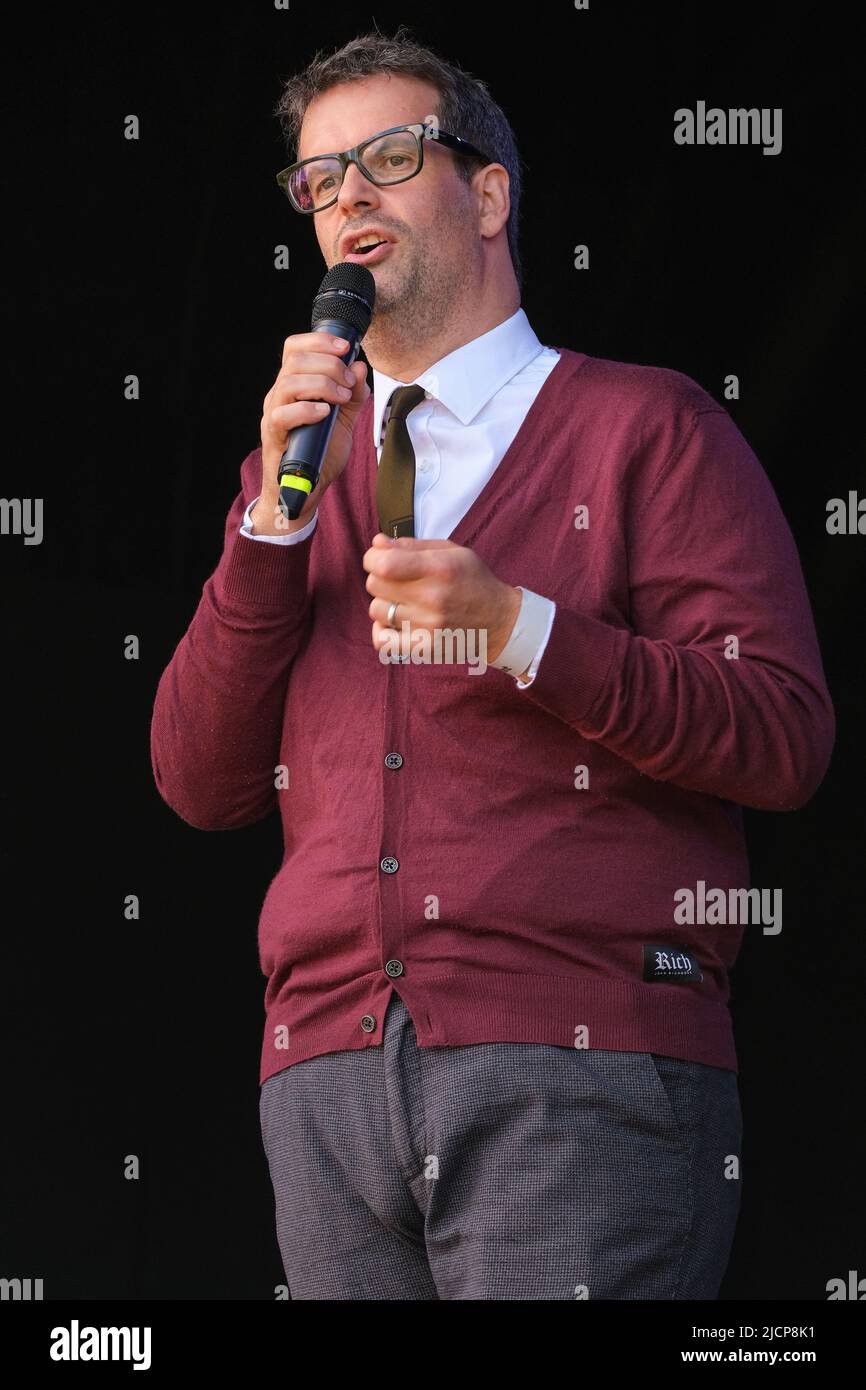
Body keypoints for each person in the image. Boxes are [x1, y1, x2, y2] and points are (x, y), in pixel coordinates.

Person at [150, 28, 835, 1300]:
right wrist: (270, 530)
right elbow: (198, 780)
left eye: (387, 157)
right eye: (317, 177)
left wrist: (521, 629)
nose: (345, 194)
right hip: (324, 1083)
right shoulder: (286, 476)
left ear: (488, 192)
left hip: (576, 1064)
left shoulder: (647, 426)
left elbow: (782, 733)